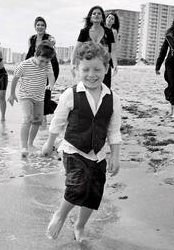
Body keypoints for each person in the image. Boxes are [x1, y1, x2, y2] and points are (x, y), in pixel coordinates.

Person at [42, 41, 122, 242]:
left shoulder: (113, 98)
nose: (91, 74)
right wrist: (49, 142)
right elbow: (58, 121)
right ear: (76, 69)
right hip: (73, 149)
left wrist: (115, 156)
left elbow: (113, 131)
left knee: (94, 193)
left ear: (106, 68)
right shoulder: (70, 94)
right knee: (78, 186)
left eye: (97, 69)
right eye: (85, 69)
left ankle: (79, 226)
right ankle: (61, 214)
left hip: (98, 153)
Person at [8, 40, 55, 157]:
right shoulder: (24, 65)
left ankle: (30, 144)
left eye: (46, 61)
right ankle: (23, 146)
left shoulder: (47, 64)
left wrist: (51, 84)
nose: (43, 64)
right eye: (41, 60)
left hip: (39, 98)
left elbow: (51, 75)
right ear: (35, 55)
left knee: (37, 121)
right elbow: (15, 79)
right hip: (25, 96)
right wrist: (12, 94)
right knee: (27, 118)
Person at [71, 5, 118, 88]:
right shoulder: (84, 31)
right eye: (94, 13)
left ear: (102, 17)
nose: (96, 15)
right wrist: (72, 64)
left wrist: (115, 65)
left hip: (103, 66)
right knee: (87, 89)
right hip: (87, 66)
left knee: (104, 89)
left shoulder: (109, 32)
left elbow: (113, 51)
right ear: (90, 17)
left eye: (99, 13)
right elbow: (76, 49)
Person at [25, 17, 59, 125]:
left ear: (45, 27)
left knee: (45, 94)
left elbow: (53, 41)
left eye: (42, 25)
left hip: (50, 68)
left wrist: (51, 42)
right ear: (35, 26)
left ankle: (43, 123)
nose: (40, 27)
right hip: (37, 68)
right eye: (38, 25)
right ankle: (42, 120)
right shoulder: (32, 39)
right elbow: (30, 53)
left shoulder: (49, 37)